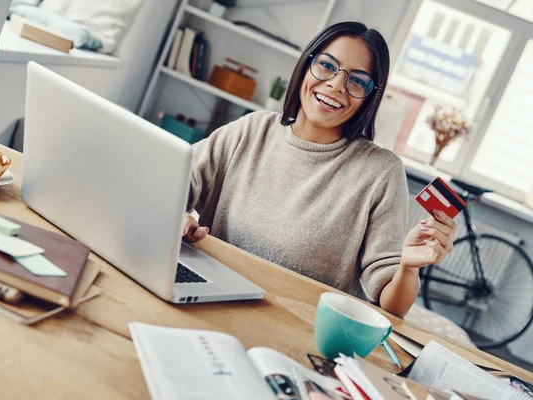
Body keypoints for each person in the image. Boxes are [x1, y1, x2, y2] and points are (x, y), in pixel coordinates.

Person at [182, 22, 456, 317]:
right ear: (306, 64)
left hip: (294, 329)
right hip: (204, 302)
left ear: (369, 97)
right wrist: (179, 215)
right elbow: (176, 180)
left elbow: (393, 305)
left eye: (358, 82)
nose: (337, 85)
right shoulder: (252, 130)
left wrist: (408, 267)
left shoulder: (381, 173)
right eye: (327, 66)